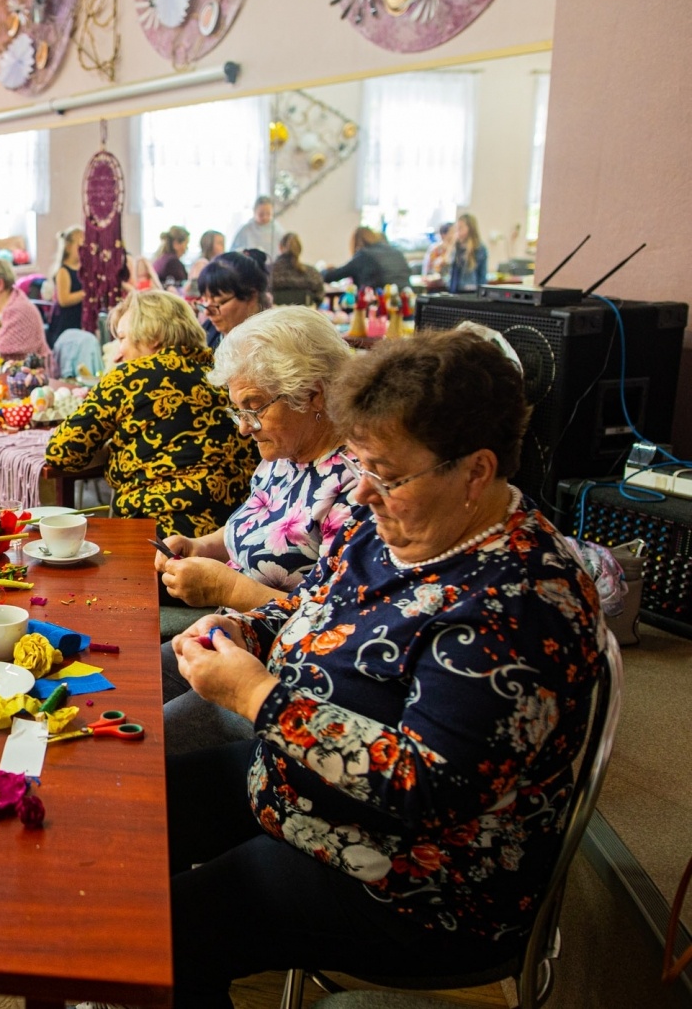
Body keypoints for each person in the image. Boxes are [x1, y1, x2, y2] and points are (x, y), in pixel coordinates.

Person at [162, 329, 607, 1006]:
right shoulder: (383, 527)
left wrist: (260, 701)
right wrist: (241, 629)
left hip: (417, 881)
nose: (363, 492)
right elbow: (308, 611)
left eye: (388, 475)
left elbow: (424, 789)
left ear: (476, 471)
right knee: (141, 814)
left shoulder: (520, 603)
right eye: (361, 464)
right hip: (307, 791)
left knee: (172, 930)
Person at [154, 306, 361, 753]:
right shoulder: (283, 455)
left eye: (255, 409)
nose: (245, 428)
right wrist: (199, 546)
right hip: (231, 637)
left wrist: (226, 588)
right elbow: (245, 529)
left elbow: (332, 622)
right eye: (239, 410)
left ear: (314, 395)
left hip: (285, 675)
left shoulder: (357, 485)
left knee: (150, 740)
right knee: (125, 685)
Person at [46, 290, 253, 531]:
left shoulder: (132, 376)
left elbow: (61, 452)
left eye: (122, 339)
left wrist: (110, 450)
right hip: (235, 532)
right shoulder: (223, 373)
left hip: (158, 534)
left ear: (153, 336)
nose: (118, 354)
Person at [198, 250, 272, 348]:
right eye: (205, 300)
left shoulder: (268, 346)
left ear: (251, 297)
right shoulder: (209, 329)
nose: (207, 312)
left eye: (219, 302)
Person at [321, 226, 412, 293]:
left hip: (377, 303)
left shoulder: (364, 255)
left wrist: (324, 271)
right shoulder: (395, 251)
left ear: (357, 242)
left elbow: (332, 276)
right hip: (405, 302)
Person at [46, 226, 85, 347]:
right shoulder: (63, 271)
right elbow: (63, 300)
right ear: (68, 247)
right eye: (80, 247)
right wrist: (86, 293)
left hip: (78, 317)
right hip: (65, 321)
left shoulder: (82, 270)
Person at [267, 233, 324, 307]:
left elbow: (262, 297)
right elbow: (319, 298)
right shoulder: (312, 273)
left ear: (280, 247)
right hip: (305, 315)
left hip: (274, 316)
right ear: (300, 249)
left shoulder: (268, 271)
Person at [447, 212, 489, 294]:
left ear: (470, 229)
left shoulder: (479, 248)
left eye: (461, 228)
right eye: (457, 228)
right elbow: (452, 269)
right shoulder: (456, 246)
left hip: (472, 289)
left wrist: (482, 292)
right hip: (456, 288)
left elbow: (482, 273)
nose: (458, 232)